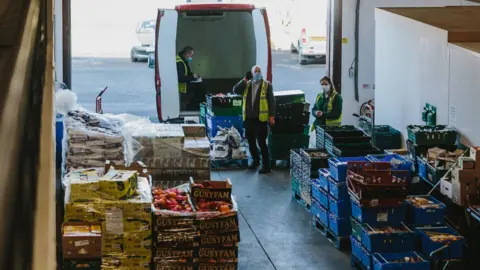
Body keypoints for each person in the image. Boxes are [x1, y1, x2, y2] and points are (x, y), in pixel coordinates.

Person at [233, 65, 276, 174]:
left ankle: (266, 166)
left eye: (259, 71)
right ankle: (255, 161)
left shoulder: (267, 85)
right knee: (250, 141)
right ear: (252, 73)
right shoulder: (247, 85)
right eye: (255, 71)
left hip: (260, 119)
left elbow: (272, 101)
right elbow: (235, 90)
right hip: (249, 119)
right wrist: (244, 80)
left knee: (261, 142)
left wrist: (272, 116)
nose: (257, 73)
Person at [176, 46, 202, 110]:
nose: (191, 57)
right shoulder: (180, 62)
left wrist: (193, 74)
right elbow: (181, 78)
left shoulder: (183, 61)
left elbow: (187, 72)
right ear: (187, 53)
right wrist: (193, 77)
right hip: (180, 88)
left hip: (183, 88)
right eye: (191, 55)